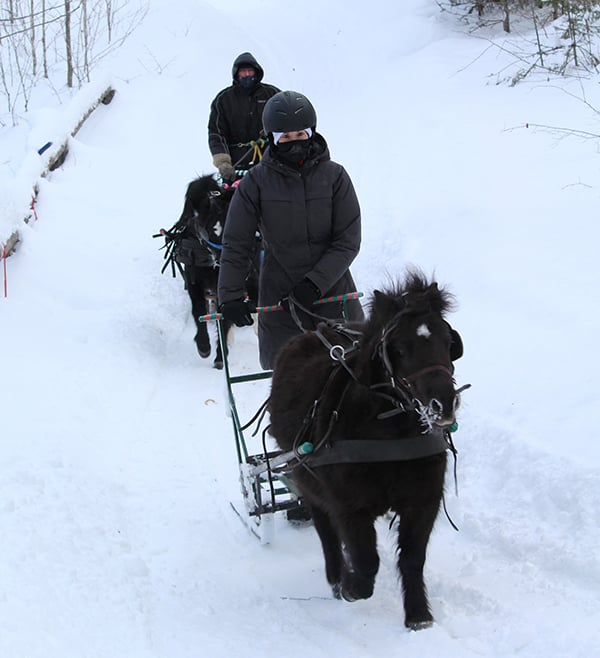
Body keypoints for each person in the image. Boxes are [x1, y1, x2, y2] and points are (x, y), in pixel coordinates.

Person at [218, 90, 364, 370]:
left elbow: (348, 240)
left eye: (300, 135)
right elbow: (237, 241)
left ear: (311, 132)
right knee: (293, 384)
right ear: (272, 138)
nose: (294, 142)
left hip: (334, 293)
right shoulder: (255, 183)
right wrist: (230, 294)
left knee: (352, 375)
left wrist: (314, 283)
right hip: (280, 299)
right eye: (285, 137)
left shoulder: (335, 177)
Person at [208, 52, 280, 182]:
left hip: (270, 162)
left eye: (250, 71)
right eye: (243, 71)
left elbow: (286, 123)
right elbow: (216, 133)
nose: (247, 74)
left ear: (256, 72)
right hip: (236, 166)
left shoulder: (272, 94)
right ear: (236, 74)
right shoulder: (223, 100)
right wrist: (223, 163)